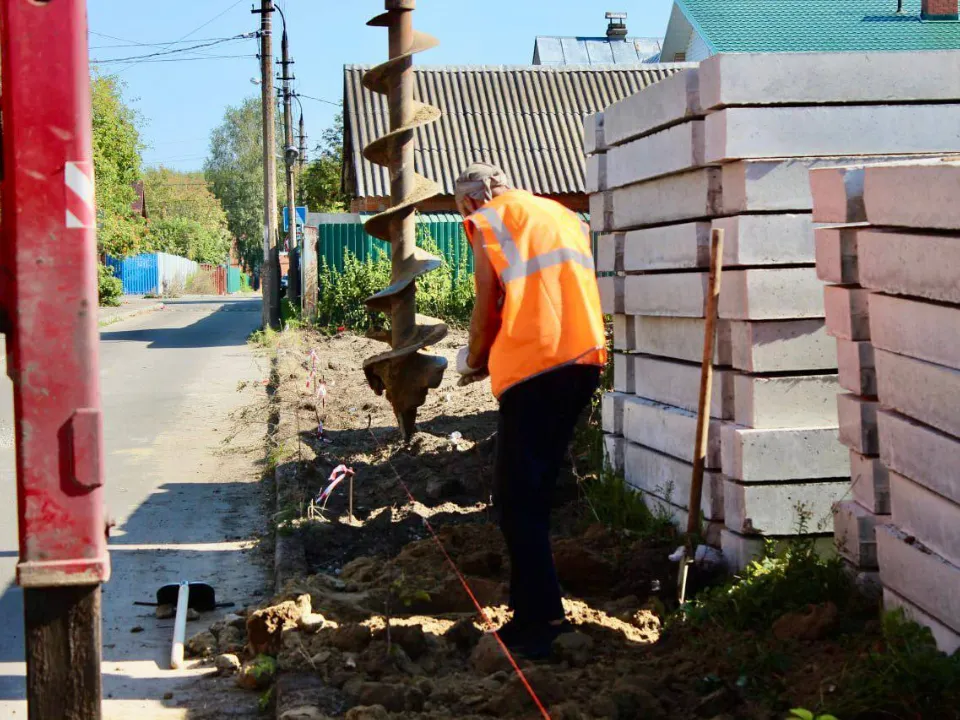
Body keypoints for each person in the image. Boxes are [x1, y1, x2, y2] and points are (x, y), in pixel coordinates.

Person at [454, 162, 607, 657]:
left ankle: (542, 624)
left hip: (534, 369)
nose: (466, 219)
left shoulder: (490, 221)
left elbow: (486, 307)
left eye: (462, 209)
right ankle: (533, 615)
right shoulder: (562, 216)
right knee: (532, 496)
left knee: (516, 501)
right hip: (583, 361)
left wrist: (473, 359)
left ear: (474, 200)